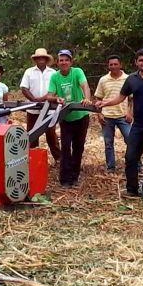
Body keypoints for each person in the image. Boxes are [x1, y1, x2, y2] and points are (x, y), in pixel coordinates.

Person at [96, 48, 143, 199]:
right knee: (131, 156)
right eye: (141, 60)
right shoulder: (132, 79)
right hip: (138, 125)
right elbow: (121, 97)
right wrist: (105, 104)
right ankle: (132, 189)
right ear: (136, 62)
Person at [47, 49, 92, 188]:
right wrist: (56, 98)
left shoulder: (77, 72)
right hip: (66, 117)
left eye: (66, 60)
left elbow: (85, 85)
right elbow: (49, 96)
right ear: (58, 62)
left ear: (71, 62)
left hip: (81, 116)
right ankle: (65, 178)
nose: (64, 62)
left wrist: (87, 99)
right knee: (66, 147)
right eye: (61, 60)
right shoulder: (55, 77)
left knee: (78, 147)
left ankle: (75, 176)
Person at [20, 48, 61, 164]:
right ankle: (33, 159)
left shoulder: (53, 73)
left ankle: (59, 159)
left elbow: (56, 89)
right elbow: (24, 88)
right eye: (38, 58)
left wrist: (43, 98)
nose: (40, 60)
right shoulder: (29, 72)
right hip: (33, 109)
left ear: (46, 59)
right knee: (32, 134)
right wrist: (33, 100)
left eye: (43, 57)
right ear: (35, 59)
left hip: (49, 109)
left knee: (51, 135)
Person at [94, 55, 131, 172]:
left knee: (130, 140)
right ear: (108, 66)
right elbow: (98, 98)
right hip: (107, 116)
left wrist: (130, 113)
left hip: (123, 115)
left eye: (116, 64)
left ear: (120, 65)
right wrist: (99, 114)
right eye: (111, 64)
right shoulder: (103, 80)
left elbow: (132, 98)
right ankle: (111, 167)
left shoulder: (128, 79)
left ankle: (135, 164)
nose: (113, 66)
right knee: (108, 143)